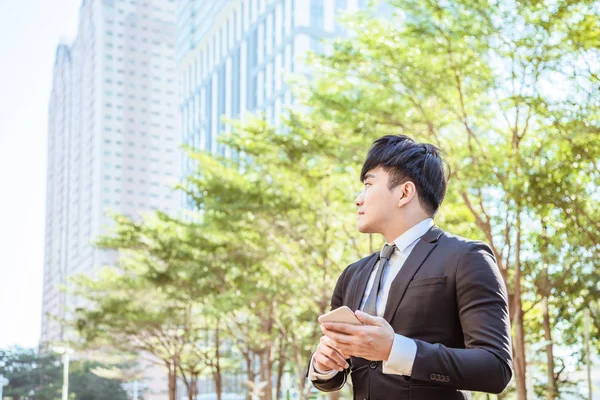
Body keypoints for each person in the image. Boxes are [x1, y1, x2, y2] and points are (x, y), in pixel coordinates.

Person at [307, 135, 513, 399]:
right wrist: (323, 364)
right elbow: (336, 377)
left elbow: (495, 368)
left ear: (405, 192)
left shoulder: (466, 257)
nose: (359, 199)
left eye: (369, 184)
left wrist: (395, 349)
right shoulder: (353, 274)